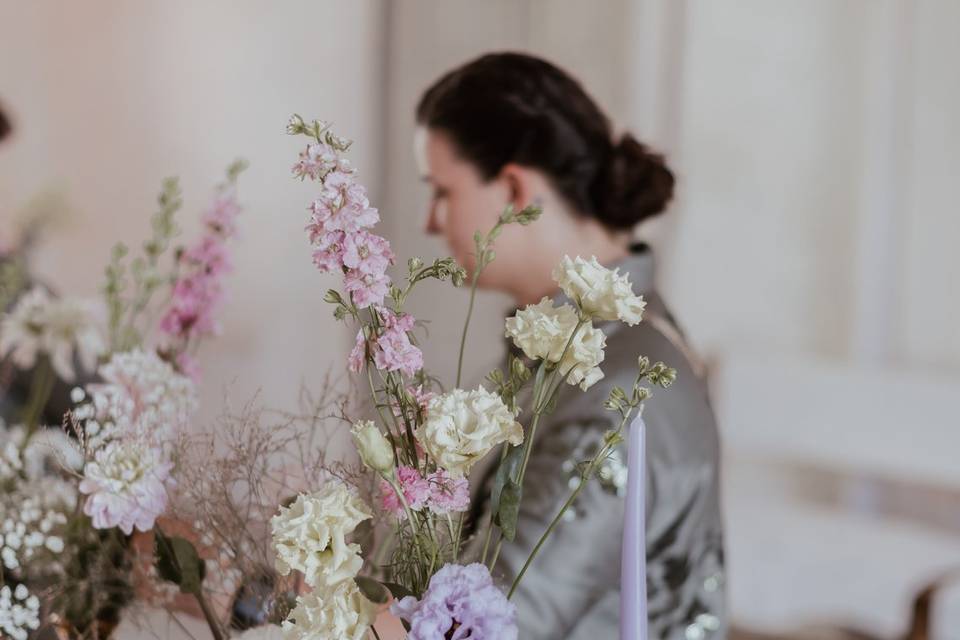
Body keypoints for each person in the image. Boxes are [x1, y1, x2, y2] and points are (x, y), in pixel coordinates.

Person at [414, 52, 726, 639]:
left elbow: (492, 627)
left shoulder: (622, 384)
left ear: (512, 189)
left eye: (442, 192)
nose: (432, 221)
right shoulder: (587, 348)